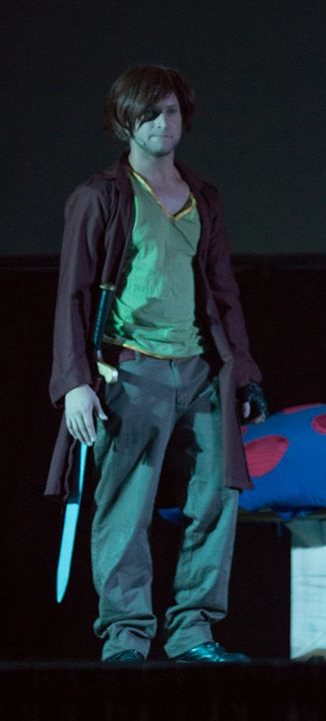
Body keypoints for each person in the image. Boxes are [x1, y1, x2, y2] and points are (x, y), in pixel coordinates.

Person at [49, 64, 268, 663]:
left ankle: (194, 632)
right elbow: (72, 294)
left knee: (215, 500)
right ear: (125, 121)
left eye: (171, 111)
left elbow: (224, 292)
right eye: (149, 113)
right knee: (126, 506)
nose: (162, 123)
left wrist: (244, 374)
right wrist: (75, 384)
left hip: (200, 369)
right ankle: (125, 637)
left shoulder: (203, 196)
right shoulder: (101, 197)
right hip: (132, 369)